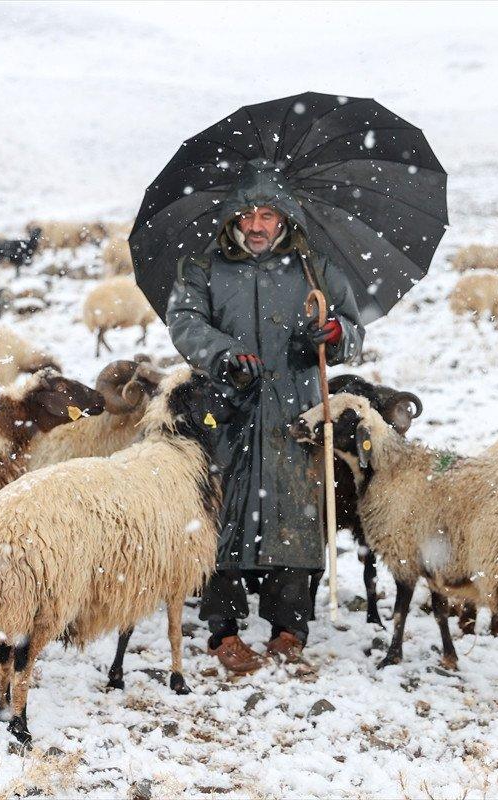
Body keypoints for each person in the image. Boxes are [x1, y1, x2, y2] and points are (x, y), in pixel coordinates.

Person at [165, 159, 365, 673]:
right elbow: (184, 321)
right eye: (248, 215)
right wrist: (223, 353)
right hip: (228, 410)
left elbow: (353, 328)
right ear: (233, 219)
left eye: (268, 216)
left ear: (285, 220)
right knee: (220, 514)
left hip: (296, 412)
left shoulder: (314, 270)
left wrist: (333, 335)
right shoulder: (204, 269)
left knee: (296, 513)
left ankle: (289, 628)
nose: (257, 226)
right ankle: (223, 631)